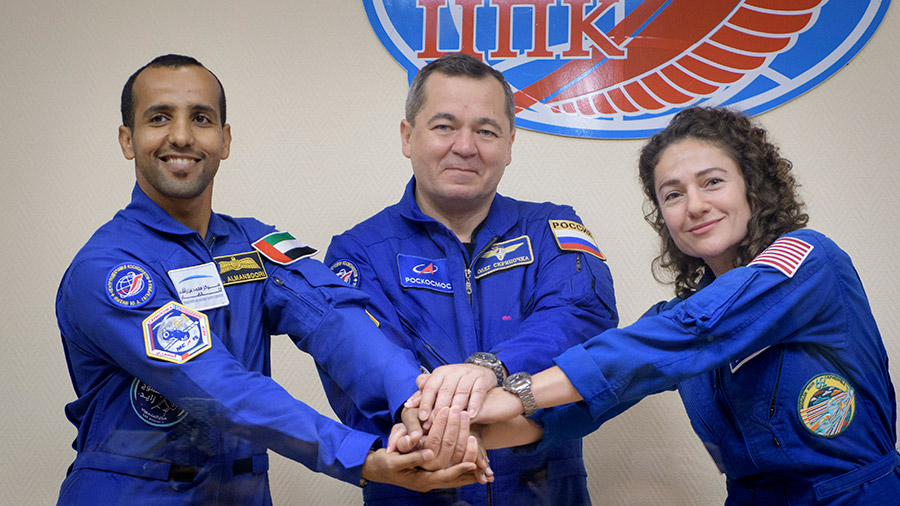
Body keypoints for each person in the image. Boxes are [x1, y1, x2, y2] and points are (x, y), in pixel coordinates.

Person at [54, 54, 487, 505]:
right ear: (128, 139)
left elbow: (334, 320)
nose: (181, 136)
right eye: (159, 118)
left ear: (224, 140)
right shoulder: (109, 268)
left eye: (200, 118)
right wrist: (359, 454)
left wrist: (411, 399)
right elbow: (214, 387)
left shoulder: (253, 244)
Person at [467, 106, 900, 505]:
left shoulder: (807, 262)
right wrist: (453, 428)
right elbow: (582, 405)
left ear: (754, 186)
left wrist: (515, 393)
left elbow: (693, 331)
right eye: (672, 195)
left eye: (712, 181)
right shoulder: (671, 321)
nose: (694, 206)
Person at [323, 52, 618, 505]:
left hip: (542, 489)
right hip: (417, 487)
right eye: (444, 126)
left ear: (510, 143)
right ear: (408, 136)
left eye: (486, 130)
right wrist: (435, 423)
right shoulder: (358, 251)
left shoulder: (550, 229)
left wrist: (490, 369)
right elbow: (360, 367)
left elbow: (581, 317)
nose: (465, 145)